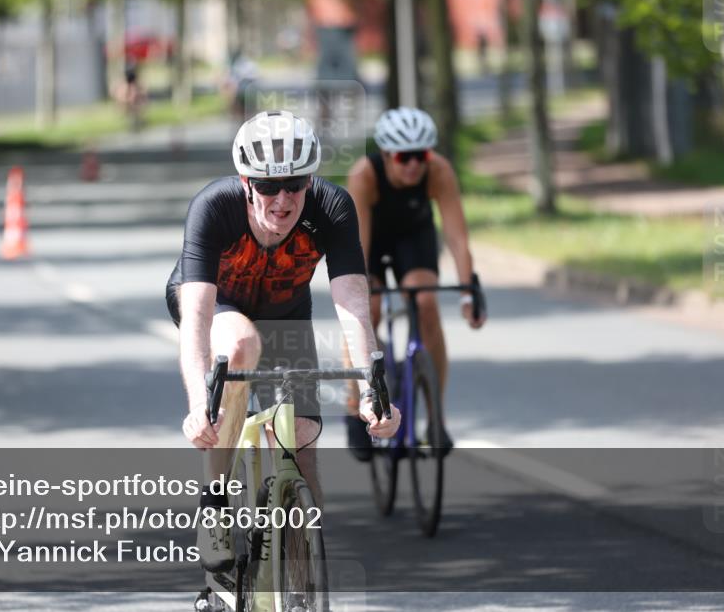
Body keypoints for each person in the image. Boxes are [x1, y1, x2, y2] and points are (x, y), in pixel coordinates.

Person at [166, 110, 401, 576]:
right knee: (240, 347)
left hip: (285, 314)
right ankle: (215, 505)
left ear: (310, 180)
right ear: (245, 182)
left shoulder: (332, 207)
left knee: (301, 449)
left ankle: (298, 578)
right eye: (268, 186)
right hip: (219, 306)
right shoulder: (214, 207)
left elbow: (352, 302)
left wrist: (375, 390)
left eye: (294, 184)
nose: (282, 199)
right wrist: (199, 406)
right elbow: (196, 315)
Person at [343, 107, 486, 460]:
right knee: (368, 311)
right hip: (370, 242)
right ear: (388, 155)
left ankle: (436, 416)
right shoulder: (364, 175)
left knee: (425, 302)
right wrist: (358, 295)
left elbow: (457, 237)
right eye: (403, 157)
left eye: (420, 156)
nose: (413, 165)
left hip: (413, 237)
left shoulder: (438, 171)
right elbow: (356, 246)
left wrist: (469, 291)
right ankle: (353, 404)